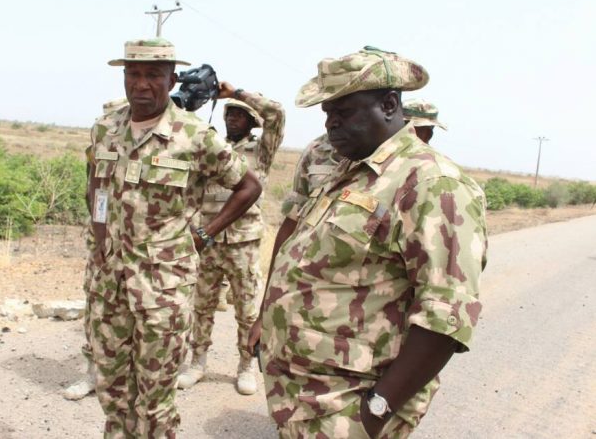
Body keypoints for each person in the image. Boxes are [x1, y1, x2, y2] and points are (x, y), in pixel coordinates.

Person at [259, 46, 488, 438]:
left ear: (389, 105)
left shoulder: (431, 183)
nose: (331, 124)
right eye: (328, 113)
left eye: (344, 112)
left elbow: (445, 315)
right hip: (305, 394)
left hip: (350, 403)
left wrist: (376, 410)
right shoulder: (351, 173)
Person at [87, 38, 262, 438]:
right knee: (112, 392)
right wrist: (100, 235)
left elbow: (248, 186)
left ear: (171, 80)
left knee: (155, 401)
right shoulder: (105, 128)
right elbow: (94, 182)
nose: (142, 84)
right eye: (133, 74)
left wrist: (204, 235)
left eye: (153, 75)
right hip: (109, 283)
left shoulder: (195, 135)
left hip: (163, 288)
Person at [177, 84, 285, 395]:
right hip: (207, 240)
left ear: (252, 122)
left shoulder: (260, 150)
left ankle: (246, 365)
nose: (233, 118)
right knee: (202, 305)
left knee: (247, 310)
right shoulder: (214, 148)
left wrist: (236, 94)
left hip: (243, 243)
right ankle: (197, 362)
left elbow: (276, 115)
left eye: (240, 115)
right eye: (230, 113)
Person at [246, 132, 341, 358]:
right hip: (308, 299)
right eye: (328, 114)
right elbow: (291, 224)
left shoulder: (410, 163)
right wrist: (264, 312)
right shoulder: (317, 149)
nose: (333, 122)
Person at [64, 97, 128, 401]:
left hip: (144, 250)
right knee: (97, 309)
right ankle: (93, 373)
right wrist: (100, 234)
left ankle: (129, 377)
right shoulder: (100, 147)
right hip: (103, 244)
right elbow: (94, 192)